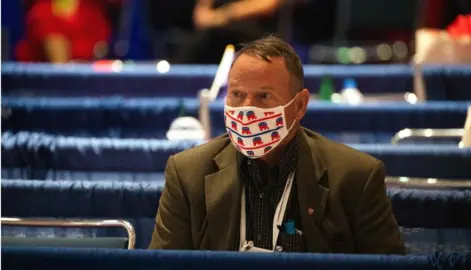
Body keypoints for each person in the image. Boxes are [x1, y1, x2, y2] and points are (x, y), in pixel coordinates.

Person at [150, 35, 405, 254]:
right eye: (237, 95)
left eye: (263, 96)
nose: (247, 109)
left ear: (300, 105)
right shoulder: (187, 174)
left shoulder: (356, 178)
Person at [173, 0, 284, 64]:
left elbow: (268, 4)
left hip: (255, 30)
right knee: (204, 38)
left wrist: (226, 14)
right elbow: (201, 17)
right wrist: (214, 19)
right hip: (213, 31)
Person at [16, 0, 117, 63]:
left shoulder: (91, 10)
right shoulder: (42, 12)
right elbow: (60, 66)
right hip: (45, 88)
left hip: (88, 83)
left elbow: (101, 49)